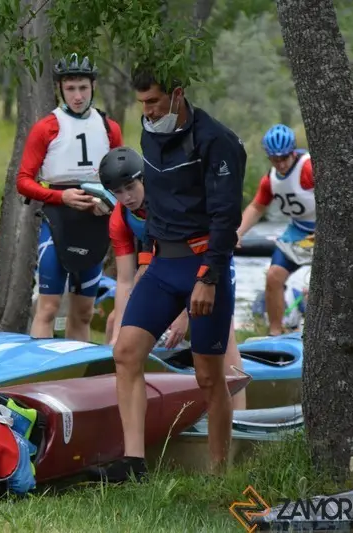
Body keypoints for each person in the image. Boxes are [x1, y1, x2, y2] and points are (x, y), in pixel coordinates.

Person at [92, 68, 246, 483]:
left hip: (202, 267)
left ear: (177, 94)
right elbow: (156, 203)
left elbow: (226, 217)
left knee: (209, 377)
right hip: (162, 265)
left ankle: (218, 476)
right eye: (142, 103)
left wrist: (209, 277)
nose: (147, 110)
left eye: (154, 102)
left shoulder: (217, 141)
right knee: (124, 351)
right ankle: (135, 463)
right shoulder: (148, 134)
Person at [100, 146, 246, 411]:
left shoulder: (168, 200)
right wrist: (119, 335)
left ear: (144, 178)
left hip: (209, 262)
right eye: (117, 192)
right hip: (166, 265)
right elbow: (125, 279)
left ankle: (239, 420)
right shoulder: (120, 218)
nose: (126, 197)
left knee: (225, 341)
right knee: (117, 324)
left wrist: (184, 315)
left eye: (130, 187)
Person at [16, 52, 123, 342]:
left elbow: (120, 177)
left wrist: (111, 204)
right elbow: (23, 181)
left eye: (83, 88)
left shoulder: (109, 128)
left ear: (93, 87)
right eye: (71, 88)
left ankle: (77, 378)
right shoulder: (46, 127)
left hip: (94, 221)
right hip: (58, 219)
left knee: (84, 311)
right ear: (60, 89)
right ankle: (39, 374)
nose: (77, 96)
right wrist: (59, 198)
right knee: (48, 308)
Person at [236, 124, 314, 336]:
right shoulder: (270, 179)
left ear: (292, 152)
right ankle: (275, 332)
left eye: (284, 158)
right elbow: (257, 207)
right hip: (299, 231)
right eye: (274, 159)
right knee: (273, 277)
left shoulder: (308, 168)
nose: (280, 164)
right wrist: (237, 233)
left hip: (326, 230)